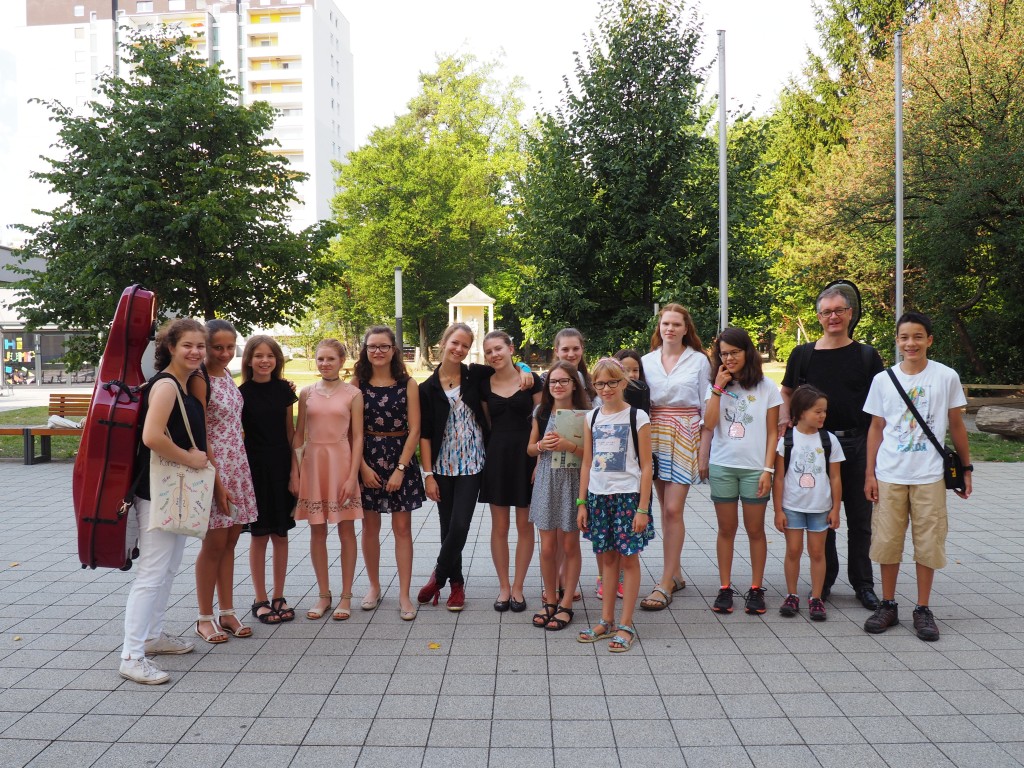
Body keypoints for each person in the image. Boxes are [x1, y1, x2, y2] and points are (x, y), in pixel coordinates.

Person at [862, 311, 972, 642]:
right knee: (887, 541)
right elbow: (876, 427)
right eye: (905, 337)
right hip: (889, 473)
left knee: (928, 542)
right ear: (897, 341)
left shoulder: (946, 376)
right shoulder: (883, 380)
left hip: (930, 475)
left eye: (918, 337)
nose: (911, 343)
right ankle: (888, 604)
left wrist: (966, 469)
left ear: (929, 340)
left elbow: (956, 425)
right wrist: (869, 473)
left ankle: (923, 608)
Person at [780, 282, 884, 609]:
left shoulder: (866, 356)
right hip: (816, 447)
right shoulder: (803, 355)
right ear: (819, 317)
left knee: (860, 519)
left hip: (857, 443)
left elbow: (880, 406)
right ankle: (823, 583)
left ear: (850, 314)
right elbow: (787, 393)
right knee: (822, 516)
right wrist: (788, 424)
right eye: (827, 312)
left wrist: (876, 458)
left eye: (839, 310)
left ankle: (863, 584)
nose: (833, 317)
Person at [417, 322, 532, 611]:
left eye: (465, 345)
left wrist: (525, 367)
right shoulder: (427, 388)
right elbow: (425, 435)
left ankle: (437, 576)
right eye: (455, 343)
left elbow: (506, 365)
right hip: (442, 466)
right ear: (444, 343)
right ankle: (456, 584)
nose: (459, 349)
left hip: (473, 463)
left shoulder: (475, 375)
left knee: (460, 524)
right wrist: (428, 475)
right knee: (447, 528)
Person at [119, 319, 208, 685]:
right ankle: (131, 655)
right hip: (158, 492)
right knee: (152, 575)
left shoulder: (182, 384)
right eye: (188, 345)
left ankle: (152, 637)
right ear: (171, 347)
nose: (195, 352)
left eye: (200, 346)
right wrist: (191, 459)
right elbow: (152, 436)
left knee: (167, 569)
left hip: (173, 492)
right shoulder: (167, 386)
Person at [699, 327, 782, 615]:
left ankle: (756, 588)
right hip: (723, 466)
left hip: (755, 469)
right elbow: (709, 424)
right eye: (724, 354)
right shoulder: (716, 386)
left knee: (755, 529)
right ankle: (725, 587)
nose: (729, 358)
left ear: (747, 352)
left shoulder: (766, 387)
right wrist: (718, 388)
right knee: (726, 529)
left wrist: (768, 469)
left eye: (734, 352)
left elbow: (773, 433)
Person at [576, 358, 654, 653]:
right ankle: (606, 620)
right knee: (607, 559)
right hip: (599, 497)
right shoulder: (592, 418)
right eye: (599, 384)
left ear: (623, 382)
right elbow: (587, 463)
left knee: (629, 559)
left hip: (628, 497)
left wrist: (643, 508)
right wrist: (582, 502)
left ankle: (626, 624)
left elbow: (646, 466)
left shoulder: (638, 417)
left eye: (611, 382)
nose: (606, 389)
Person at [188, 320, 259, 644]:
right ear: (205, 346)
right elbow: (201, 431)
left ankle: (227, 612)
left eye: (230, 347)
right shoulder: (199, 378)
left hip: (237, 465)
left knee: (230, 542)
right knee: (213, 544)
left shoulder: (227, 374)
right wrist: (216, 482)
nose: (225, 353)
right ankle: (204, 618)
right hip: (215, 468)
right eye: (218, 347)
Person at [639, 304, 710, 611]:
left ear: (685, 328)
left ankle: (665, 581)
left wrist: (704, 450)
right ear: (659, 326)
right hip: (654, 432)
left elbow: (707, 405)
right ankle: (676, 573)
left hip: (685, 432)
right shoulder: (647, 361)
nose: (670, 328)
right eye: (665, 323)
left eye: (676, 324)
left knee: (672, 509)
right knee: (664, 508)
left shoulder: (699, 360)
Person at [353, 326, 425, 621]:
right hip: (367, 459)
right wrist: (362, 467)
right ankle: (373, 586)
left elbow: (415, 429)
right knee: (370, 528)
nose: (378, 351)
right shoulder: (357, 384)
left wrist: (400, 469)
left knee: (402, 529)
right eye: (372, 346)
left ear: (394, 350)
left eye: (383, 346)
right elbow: (351, 431)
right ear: (365, 350)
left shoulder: (408, 384)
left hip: (400, 459)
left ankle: (405, 594)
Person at [291, 339, 364, 622]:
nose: (325, 364)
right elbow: (299, 434)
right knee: (317, 531)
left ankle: (346, 595)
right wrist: (295, 471)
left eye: (330, 359)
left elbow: (358, 437)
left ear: (342, 361)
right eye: (320, 358)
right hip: (313, 465)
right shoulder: (306, 392)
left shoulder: (353, 394)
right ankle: (323, 593)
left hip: (341, 464)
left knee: (346, 531)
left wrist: (352, 476)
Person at [479, 330, 542, 613]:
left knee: (525, 525)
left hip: (527, 457)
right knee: (499, 527)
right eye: (488, 351)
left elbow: (544, 420)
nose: (494, 355)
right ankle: (504, 586)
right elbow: (488, 424)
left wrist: (539, 461)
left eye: (498, 349)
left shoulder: (531, 380)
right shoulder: (483, 384)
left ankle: (518, 587)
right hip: (497, 458)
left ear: (511, 349)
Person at [527, 360, 591, 631]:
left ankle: (566, 603)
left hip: (573, 482)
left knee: (570, 545)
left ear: (574, 384)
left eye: (564, 380)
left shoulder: (586, 414)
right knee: (547, 547)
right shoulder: (541, 412)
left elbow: (592, 455)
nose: (558, 385)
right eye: (553, 381)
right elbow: (530, 448)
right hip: (546, 481)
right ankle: (550, 599)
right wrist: (542, 445)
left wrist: (569, 446)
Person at [239, 335, 298, 625]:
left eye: (270, 356)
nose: (265, 361)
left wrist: (295, 471)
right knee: (259, 534)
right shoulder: (241, 393)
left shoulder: (285, 390)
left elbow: (290, 432)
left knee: (281, 534)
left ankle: (279, 596)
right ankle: (260, 599)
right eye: (259, 356)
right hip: (254, 468)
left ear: (277, 360)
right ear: (249, 360)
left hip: (281, 465)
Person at [773, 385, 845, 621]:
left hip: (820, 508)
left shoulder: (829, 440)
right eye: (817, 411)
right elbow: (779, 478)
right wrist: (778, 510)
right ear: (801, 412)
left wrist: (836, 508)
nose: (823, 415)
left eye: (824, 411)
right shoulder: (787, 440)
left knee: (817, 552)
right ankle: (791, 595)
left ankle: (816, 597)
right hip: (792, 506)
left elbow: (835, 478)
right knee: (793, 550)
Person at [551, 328, 595, 601]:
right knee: (556, 529)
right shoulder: (549, 381)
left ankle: (569, 581)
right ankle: (556, 580)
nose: (570, 353)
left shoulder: (591, 384)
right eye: (565, 349)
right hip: (554, 466)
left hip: (584, 464)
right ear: (556, 351)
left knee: (572, 529)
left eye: (575, 348)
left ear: (582, 350)